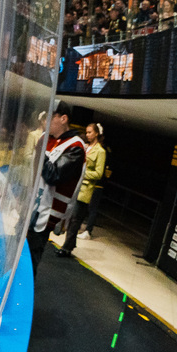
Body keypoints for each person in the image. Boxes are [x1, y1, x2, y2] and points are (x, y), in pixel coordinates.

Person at [25, 100, 85, 272]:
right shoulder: (46, 138)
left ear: (63, 119)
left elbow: (53, 175)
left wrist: (41, 152)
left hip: (47, 212)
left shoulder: (75, 147)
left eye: (50, 117)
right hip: (32, 206)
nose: (45, 122)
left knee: (31, 258)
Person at [58, 121, 106, 257]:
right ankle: (69, 245)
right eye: (86, 132)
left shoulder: (100, 151)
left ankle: (66, 247)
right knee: (71, 217)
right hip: (75, 186)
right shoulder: (85, 147)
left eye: (90, 132)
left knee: (75, 219)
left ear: (96, 133)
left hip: (85, 189)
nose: (87, 134)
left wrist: (82, 173)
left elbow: (99, 173)